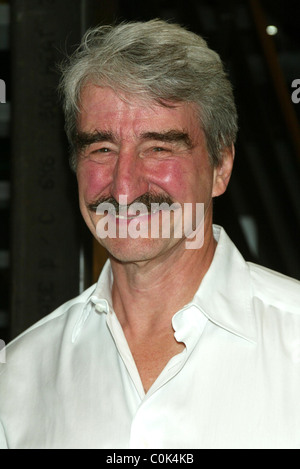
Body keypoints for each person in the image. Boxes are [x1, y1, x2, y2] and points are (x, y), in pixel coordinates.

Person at [1, 19, 300, 450]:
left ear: (221, 166)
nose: (124, 189)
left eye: (158, 147)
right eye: (101, 148)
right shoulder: (19, 378)